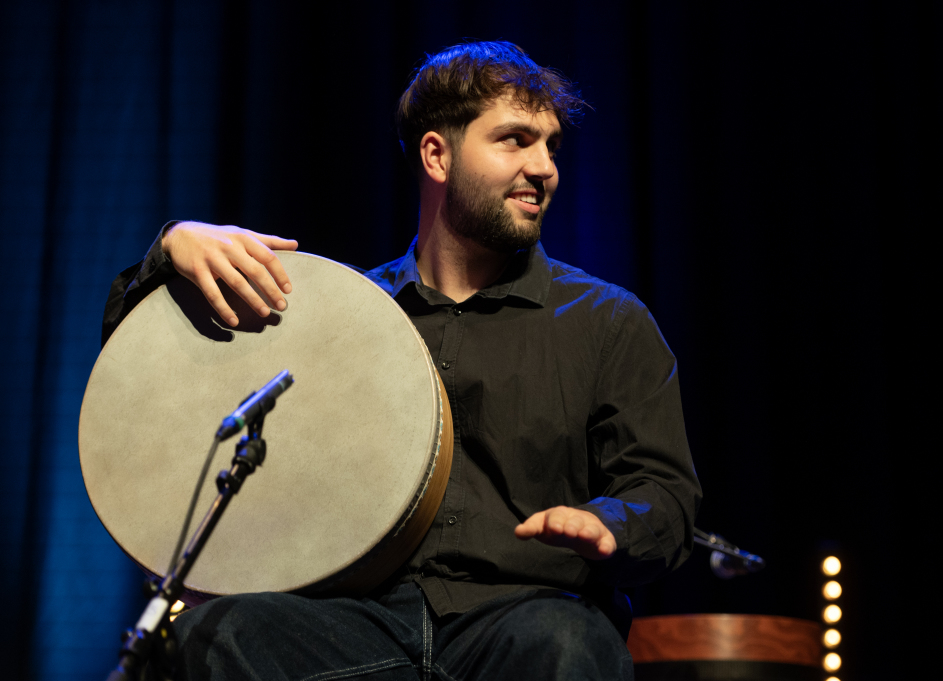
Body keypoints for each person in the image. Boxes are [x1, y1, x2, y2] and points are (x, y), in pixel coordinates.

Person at [104, 41, 701, 681]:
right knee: (208, 637)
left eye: (551, 146)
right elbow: (155, 372)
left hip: (521, 618)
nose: (544, 167)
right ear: (437, 155)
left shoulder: (607, 321)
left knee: (570, 642)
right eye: (515, 140)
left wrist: (608, 523)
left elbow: (665, 495)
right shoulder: (345, 312)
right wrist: (172, 248)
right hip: (357, 625)